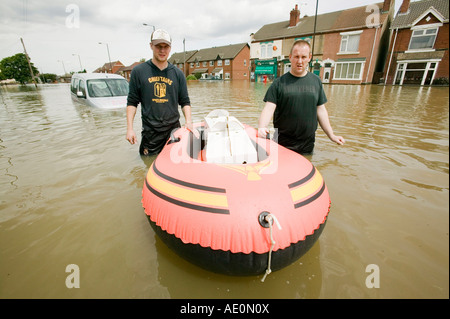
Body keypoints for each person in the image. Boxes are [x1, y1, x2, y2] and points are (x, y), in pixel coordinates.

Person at [258, 40, 345, 155]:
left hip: (307, 143)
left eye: (303, 57)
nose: (300, 61)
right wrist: (262, 127)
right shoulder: (279, 83)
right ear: (290, 57)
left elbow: (321, 110)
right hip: (282, 142)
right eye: (296, 57)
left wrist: (331, 135)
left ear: (309, 57)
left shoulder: (316, 81)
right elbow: (269, 108)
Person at [126, 29, 196, 156]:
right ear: (151, 46)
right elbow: (132, 102)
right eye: (158, 46)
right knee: (148, 167)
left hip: (174, 131)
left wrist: (189, 121)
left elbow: (185, 101)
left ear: (170, 48)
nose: (162, 51)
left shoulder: (178, 74)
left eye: (166, 47)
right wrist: (130, 129)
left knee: (175, 164)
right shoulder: (138, 72)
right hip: (151, 134)